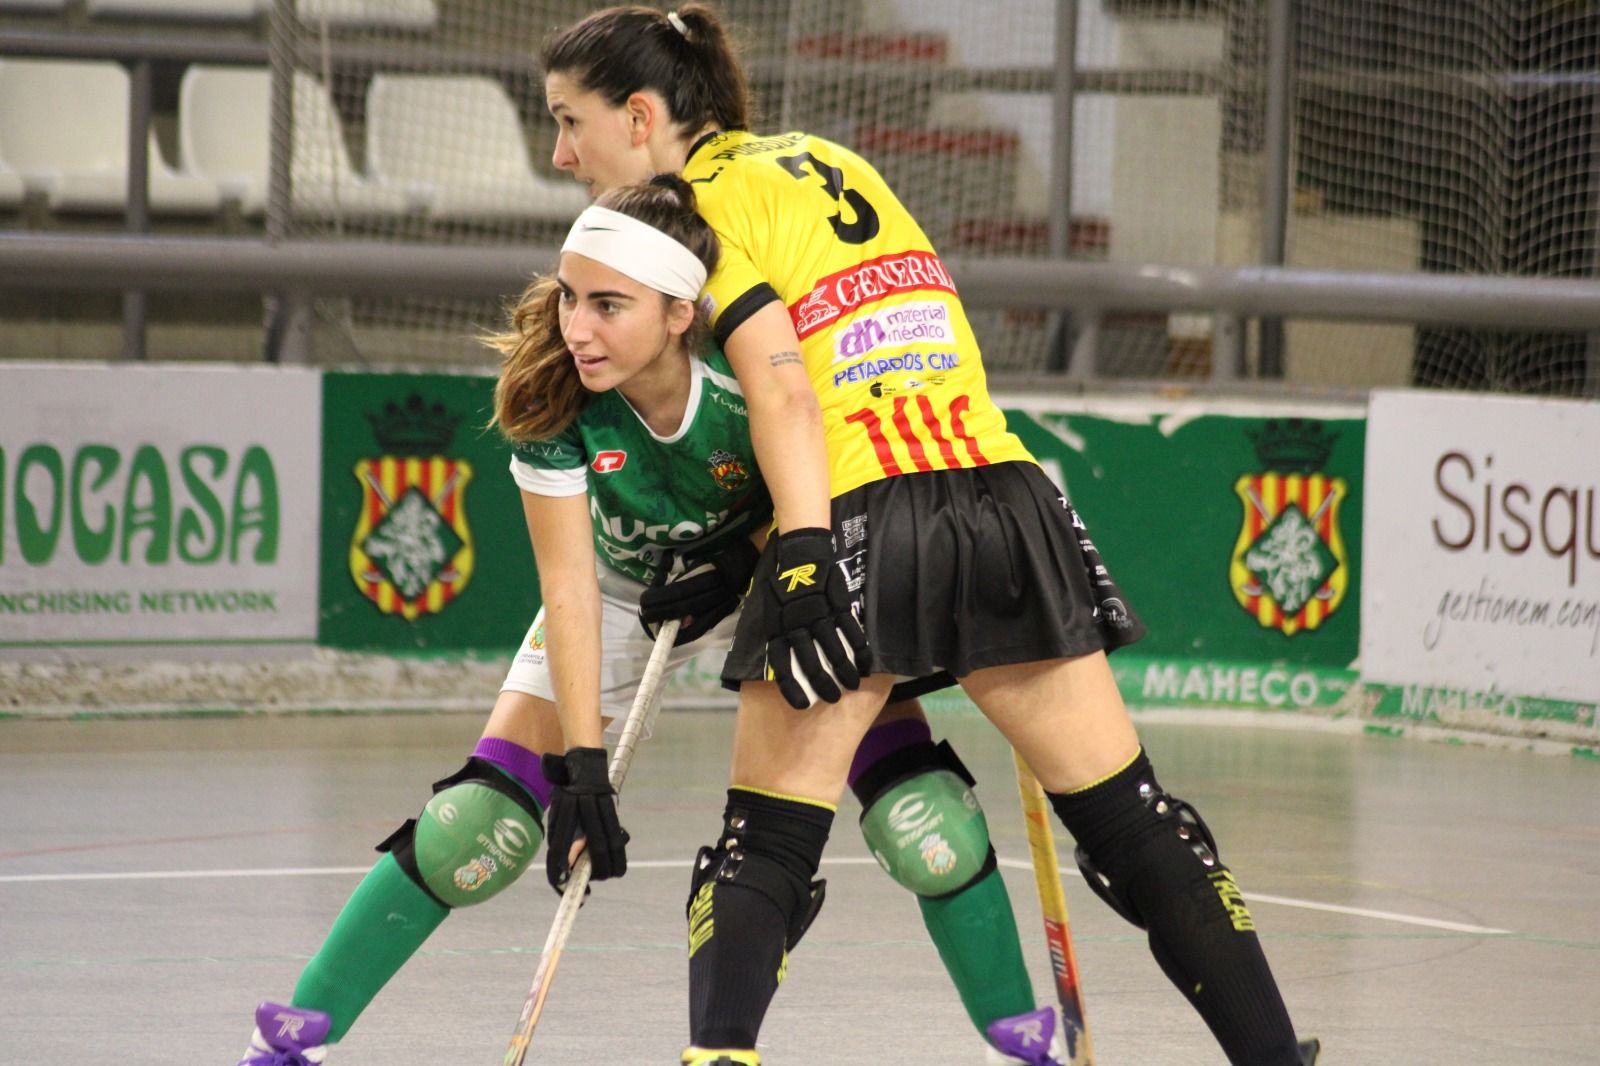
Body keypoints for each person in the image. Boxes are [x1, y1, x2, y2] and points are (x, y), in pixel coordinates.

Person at [538, 7, 1321, 1066]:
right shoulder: (825, 157)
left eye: (569, 121)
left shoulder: (687, 213)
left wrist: (801, 548)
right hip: (1000, 493)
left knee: (761, 851)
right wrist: (745, 545)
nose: (560, 153)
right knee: (1139, 827)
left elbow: (782, 383)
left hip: (862, 513)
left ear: (639, 116)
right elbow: (886, 341)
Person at [236, 175, 1053, 1066]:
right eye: (569, 299)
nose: (576, 329)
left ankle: (1019, 1042)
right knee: (477, 827)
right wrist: (583, 765)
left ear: (679, 311)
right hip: (620, 597)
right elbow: (570, 586)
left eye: (608, 306)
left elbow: (819, 505)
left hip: (770, 592)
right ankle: (294, 1037)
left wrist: (743, 563)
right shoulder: (554, 401)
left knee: (924, 822)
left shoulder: (749, 391)